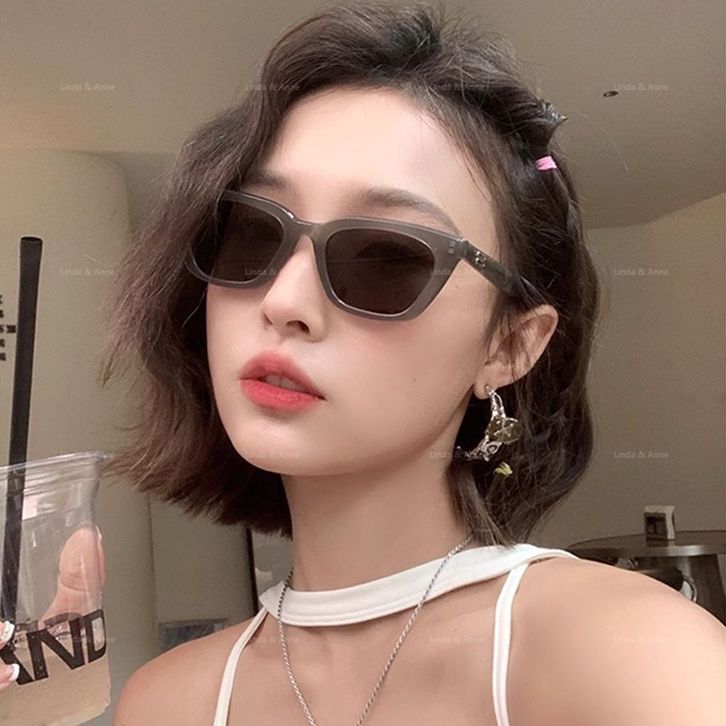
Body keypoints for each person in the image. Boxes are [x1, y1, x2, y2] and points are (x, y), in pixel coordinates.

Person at [101, 2, 725, 724]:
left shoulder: (631, 657)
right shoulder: (164, 702)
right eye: (251, 233)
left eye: (387, 258)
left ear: (509, 346)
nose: (284, 299)